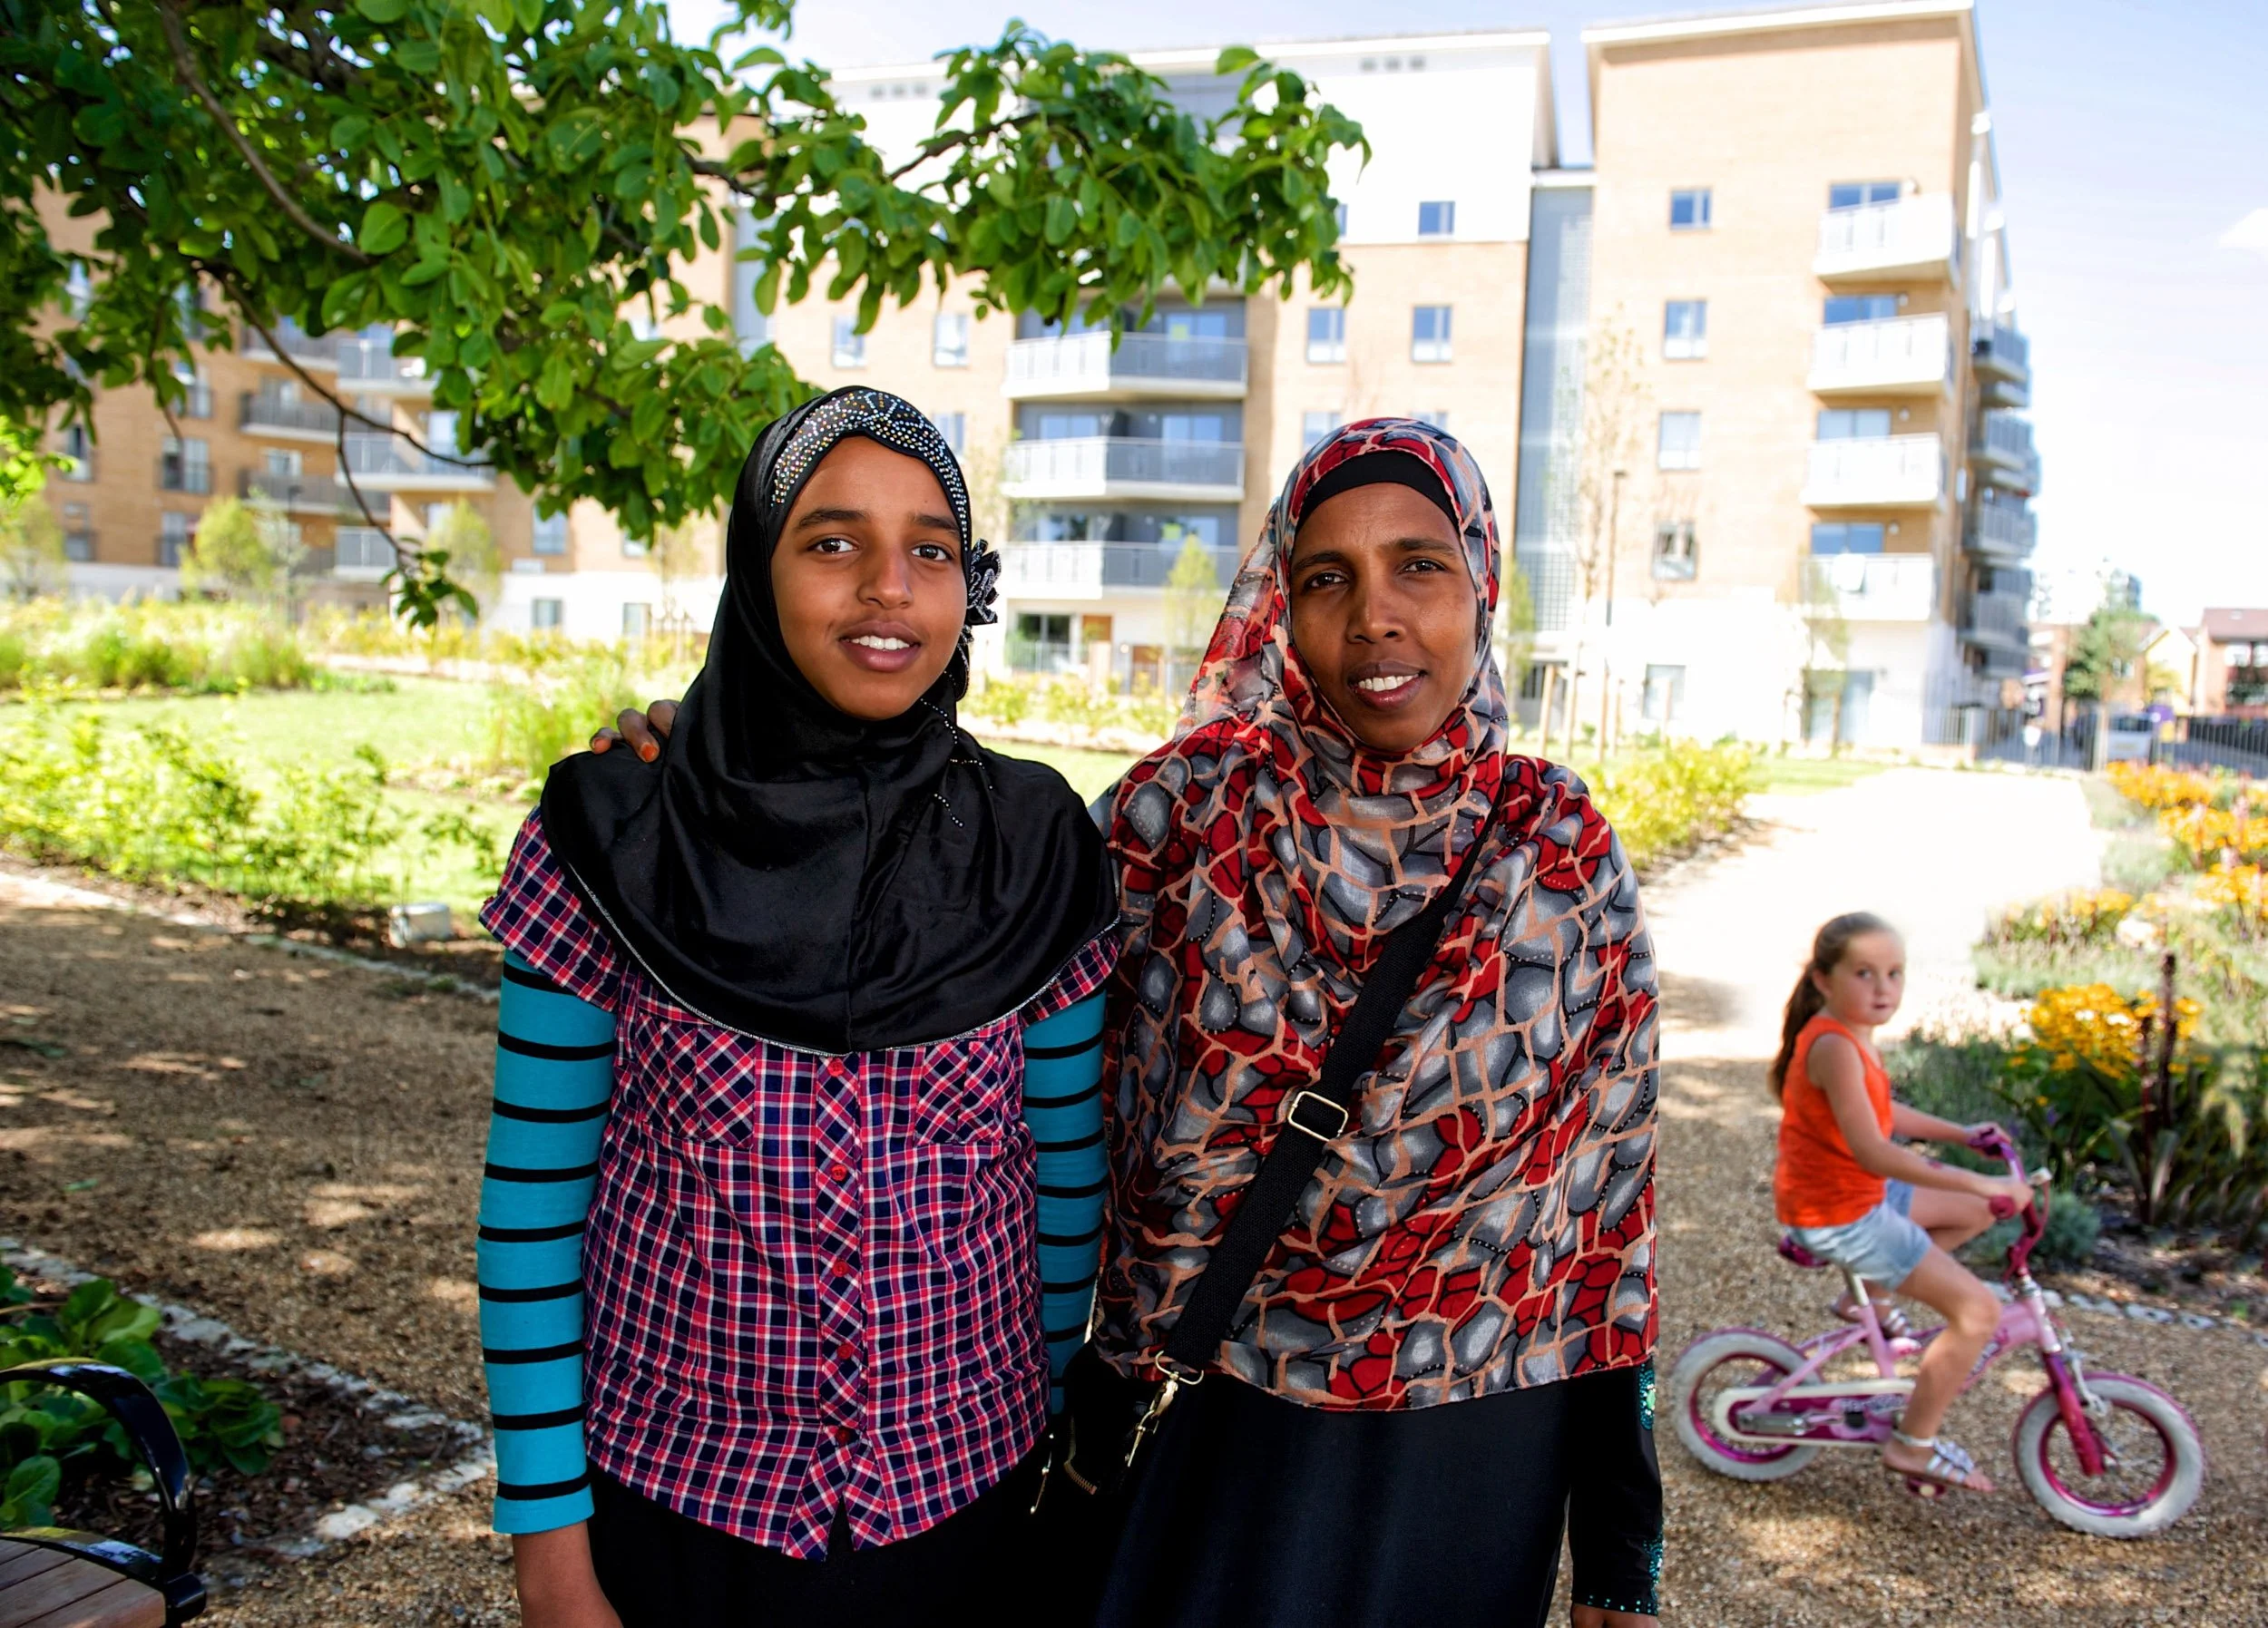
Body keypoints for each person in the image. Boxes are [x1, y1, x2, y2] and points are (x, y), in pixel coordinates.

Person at [600, 417, 1664, 1627]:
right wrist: (731, 774)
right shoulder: (1179, 817)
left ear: (1479, 584)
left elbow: (1609, 1223)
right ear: (1279, 604)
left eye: (1419, 564)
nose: (1375, 614)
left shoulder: (1559, 852)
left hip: (1469, 1448)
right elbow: (947, 886)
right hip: (1201, 1428)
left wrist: (1621, 1548)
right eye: (1328, 577)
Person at [479, 386, 1120, 1627]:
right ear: (754, 574)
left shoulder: (1037, 848)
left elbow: (1066, 1186)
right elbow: (530, 1219)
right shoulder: (616, 840)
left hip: (962, 1510)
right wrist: (552, 1559)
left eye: (931, 548)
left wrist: (1039, 1444)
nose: (889, 585)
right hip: (677, 1510)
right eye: (832, 541)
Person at [1769, 911, 2038, 1496]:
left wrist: (1962, 1134)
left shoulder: (1850, 1033)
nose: (1883, 987)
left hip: (1848, 1194)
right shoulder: (1836, 1046)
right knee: (1979, 1313)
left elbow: (1882, 1113)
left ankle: (1871, 1295)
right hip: (1839, 1211)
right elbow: (1875, 1150)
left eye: (1894, 972)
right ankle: (1912, 1442)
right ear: (1823, 978)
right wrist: (1981, 1182)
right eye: (1864, 973)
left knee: (1971, 1214)